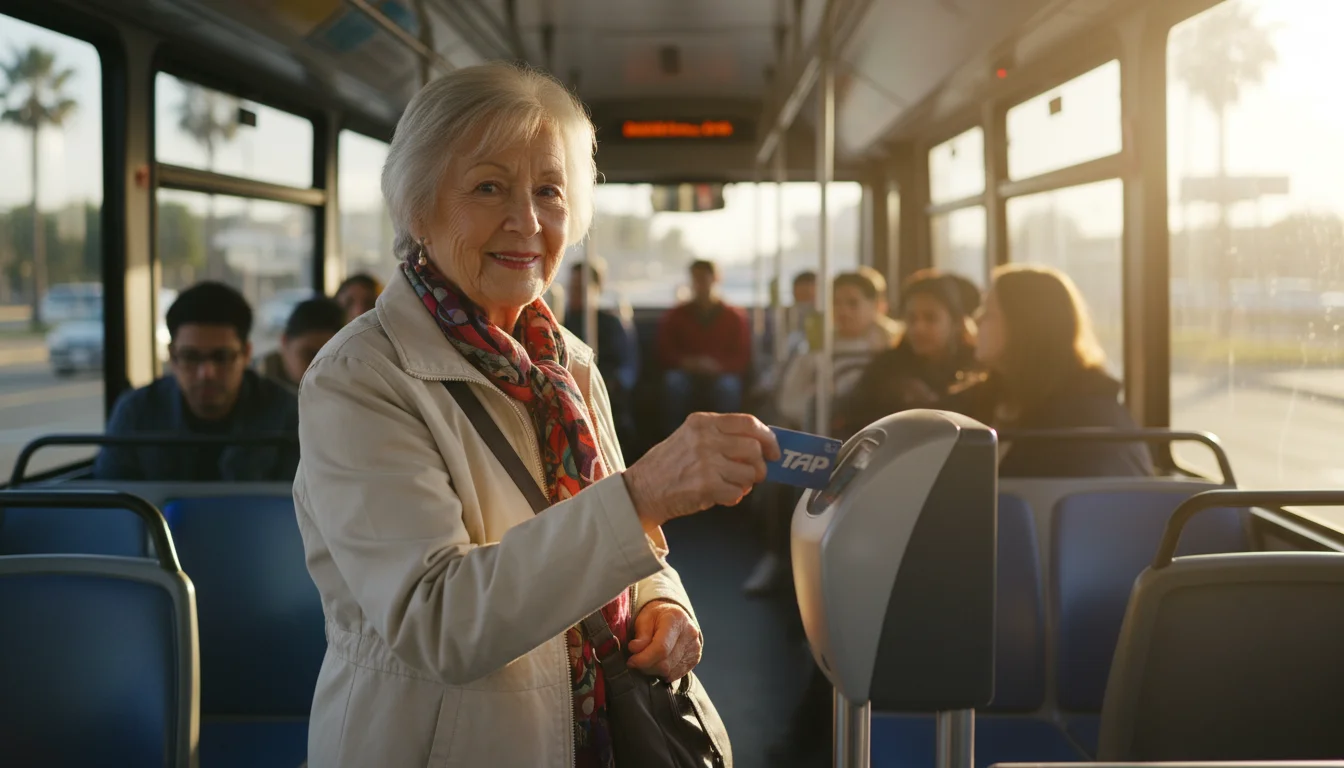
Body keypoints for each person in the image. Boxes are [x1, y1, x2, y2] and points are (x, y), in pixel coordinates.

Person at [294, 62, 780, 767]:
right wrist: (644, 494)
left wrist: (663, 606)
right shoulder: (360, 380)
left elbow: (617, 546)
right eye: (489, 187)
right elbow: (439, 620)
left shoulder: (564, 362)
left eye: (549, 191)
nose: (526, 222)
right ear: (419, 206)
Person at [948, 264, 1153, 477]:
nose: (977, 319)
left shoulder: (1086, 418)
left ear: (1023, 327)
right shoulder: (983, 398)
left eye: (989, 313)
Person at [93, 281, 300, 482]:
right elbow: (113, 504)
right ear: (172, 356)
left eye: (222, 357)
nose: (206, 373)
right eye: (191, 357)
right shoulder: (136, 412)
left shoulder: (287, 414)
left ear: (246, 354)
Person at [837, 269, 979, 438]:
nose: (919, 328)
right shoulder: (886, 367)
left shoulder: (974, 369)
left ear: (955, 323)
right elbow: (857, 423)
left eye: (930, 318)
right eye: (912, 319)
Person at [775, 269, 901, 435]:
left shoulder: (893, 346)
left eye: (853, 304)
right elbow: (789, 400)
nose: (843, 311)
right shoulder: (815, 349)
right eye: (836, 303)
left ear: (874, 305)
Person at [656, 259, 752, 434]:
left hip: (722, 373)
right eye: (696, 278)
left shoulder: (734, 316)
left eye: (704, 278)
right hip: (685, 371)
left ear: (715, 280)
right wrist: (688, 363)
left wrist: (718, 366)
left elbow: (742, 356)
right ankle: (674, 438)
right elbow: (665, 352)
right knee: (673, 384)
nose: (700, 284)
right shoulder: (676, 315)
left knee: (728, 387)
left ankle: (727, 439)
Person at [566, 259, 640, 451]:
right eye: (571, 288)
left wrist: (610, 384)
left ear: (596, 289)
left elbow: (628, 367)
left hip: (607, 393)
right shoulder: (560, 323)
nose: (574, 293)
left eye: (580, 289)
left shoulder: (611, 324)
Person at [256, 297, 346, 393]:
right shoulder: (255, 388)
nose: (320, 369)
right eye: (311, 355)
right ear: (284, 342)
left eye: (332, 359)